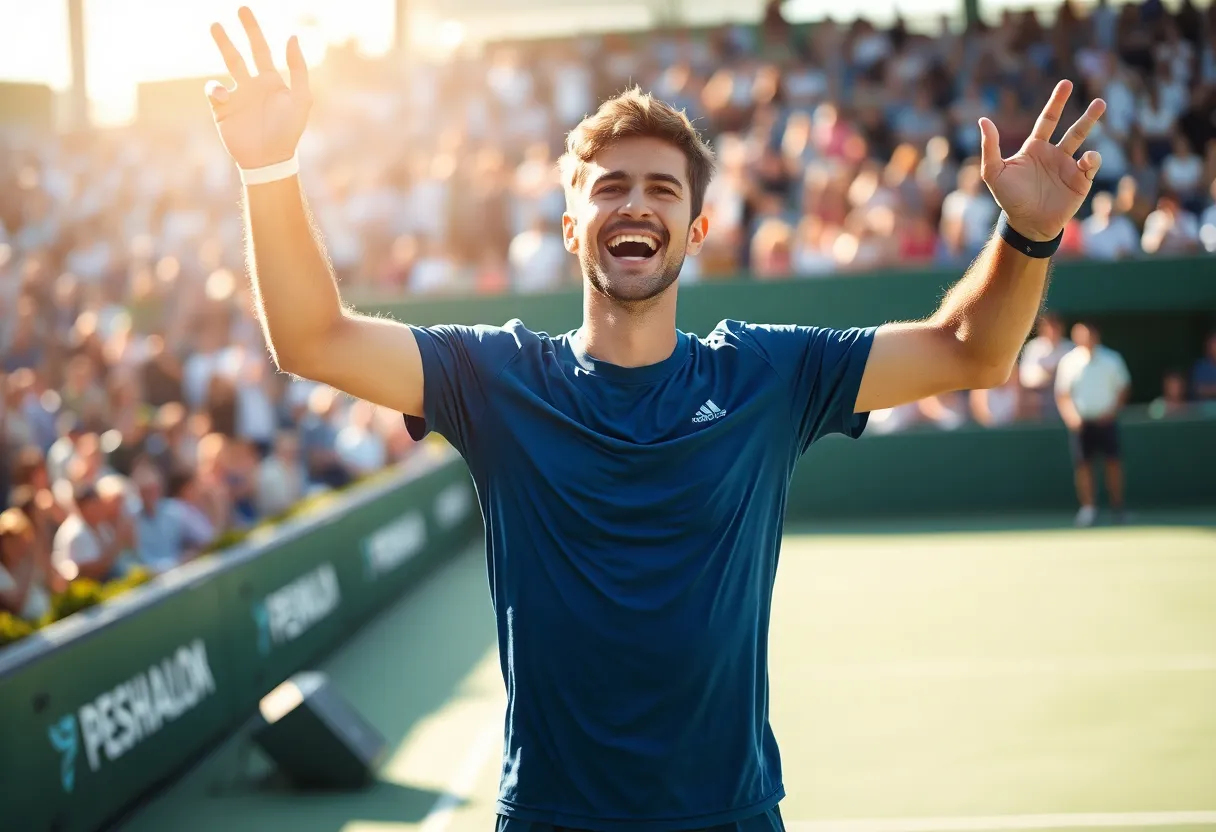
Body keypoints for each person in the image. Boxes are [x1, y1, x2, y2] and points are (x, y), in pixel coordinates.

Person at [205, 8, 1106, 829]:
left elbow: (970, 350)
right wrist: (269, 167)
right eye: (609, 188)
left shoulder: (769, 372)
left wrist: (1027, 236)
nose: (635, 204)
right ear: (570, 225)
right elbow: (312, 338)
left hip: (731, 815)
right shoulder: (496, 376)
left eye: (662, 190)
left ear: (698, 228)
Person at [1055, 322, 1131, 527]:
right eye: (1080, 334)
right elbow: (1062, 395)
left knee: (1113, 464)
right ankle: (1088, 509)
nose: (1084, 338)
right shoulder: (1068, 362)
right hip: (1081, 424)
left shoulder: (1112, 359)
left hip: (1107, 421)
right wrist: (1071, 417)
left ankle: (1118, 507)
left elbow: (1123, 388)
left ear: (1096, 335)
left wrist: (1112, 412)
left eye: (1088, 334)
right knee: (1083, 466)